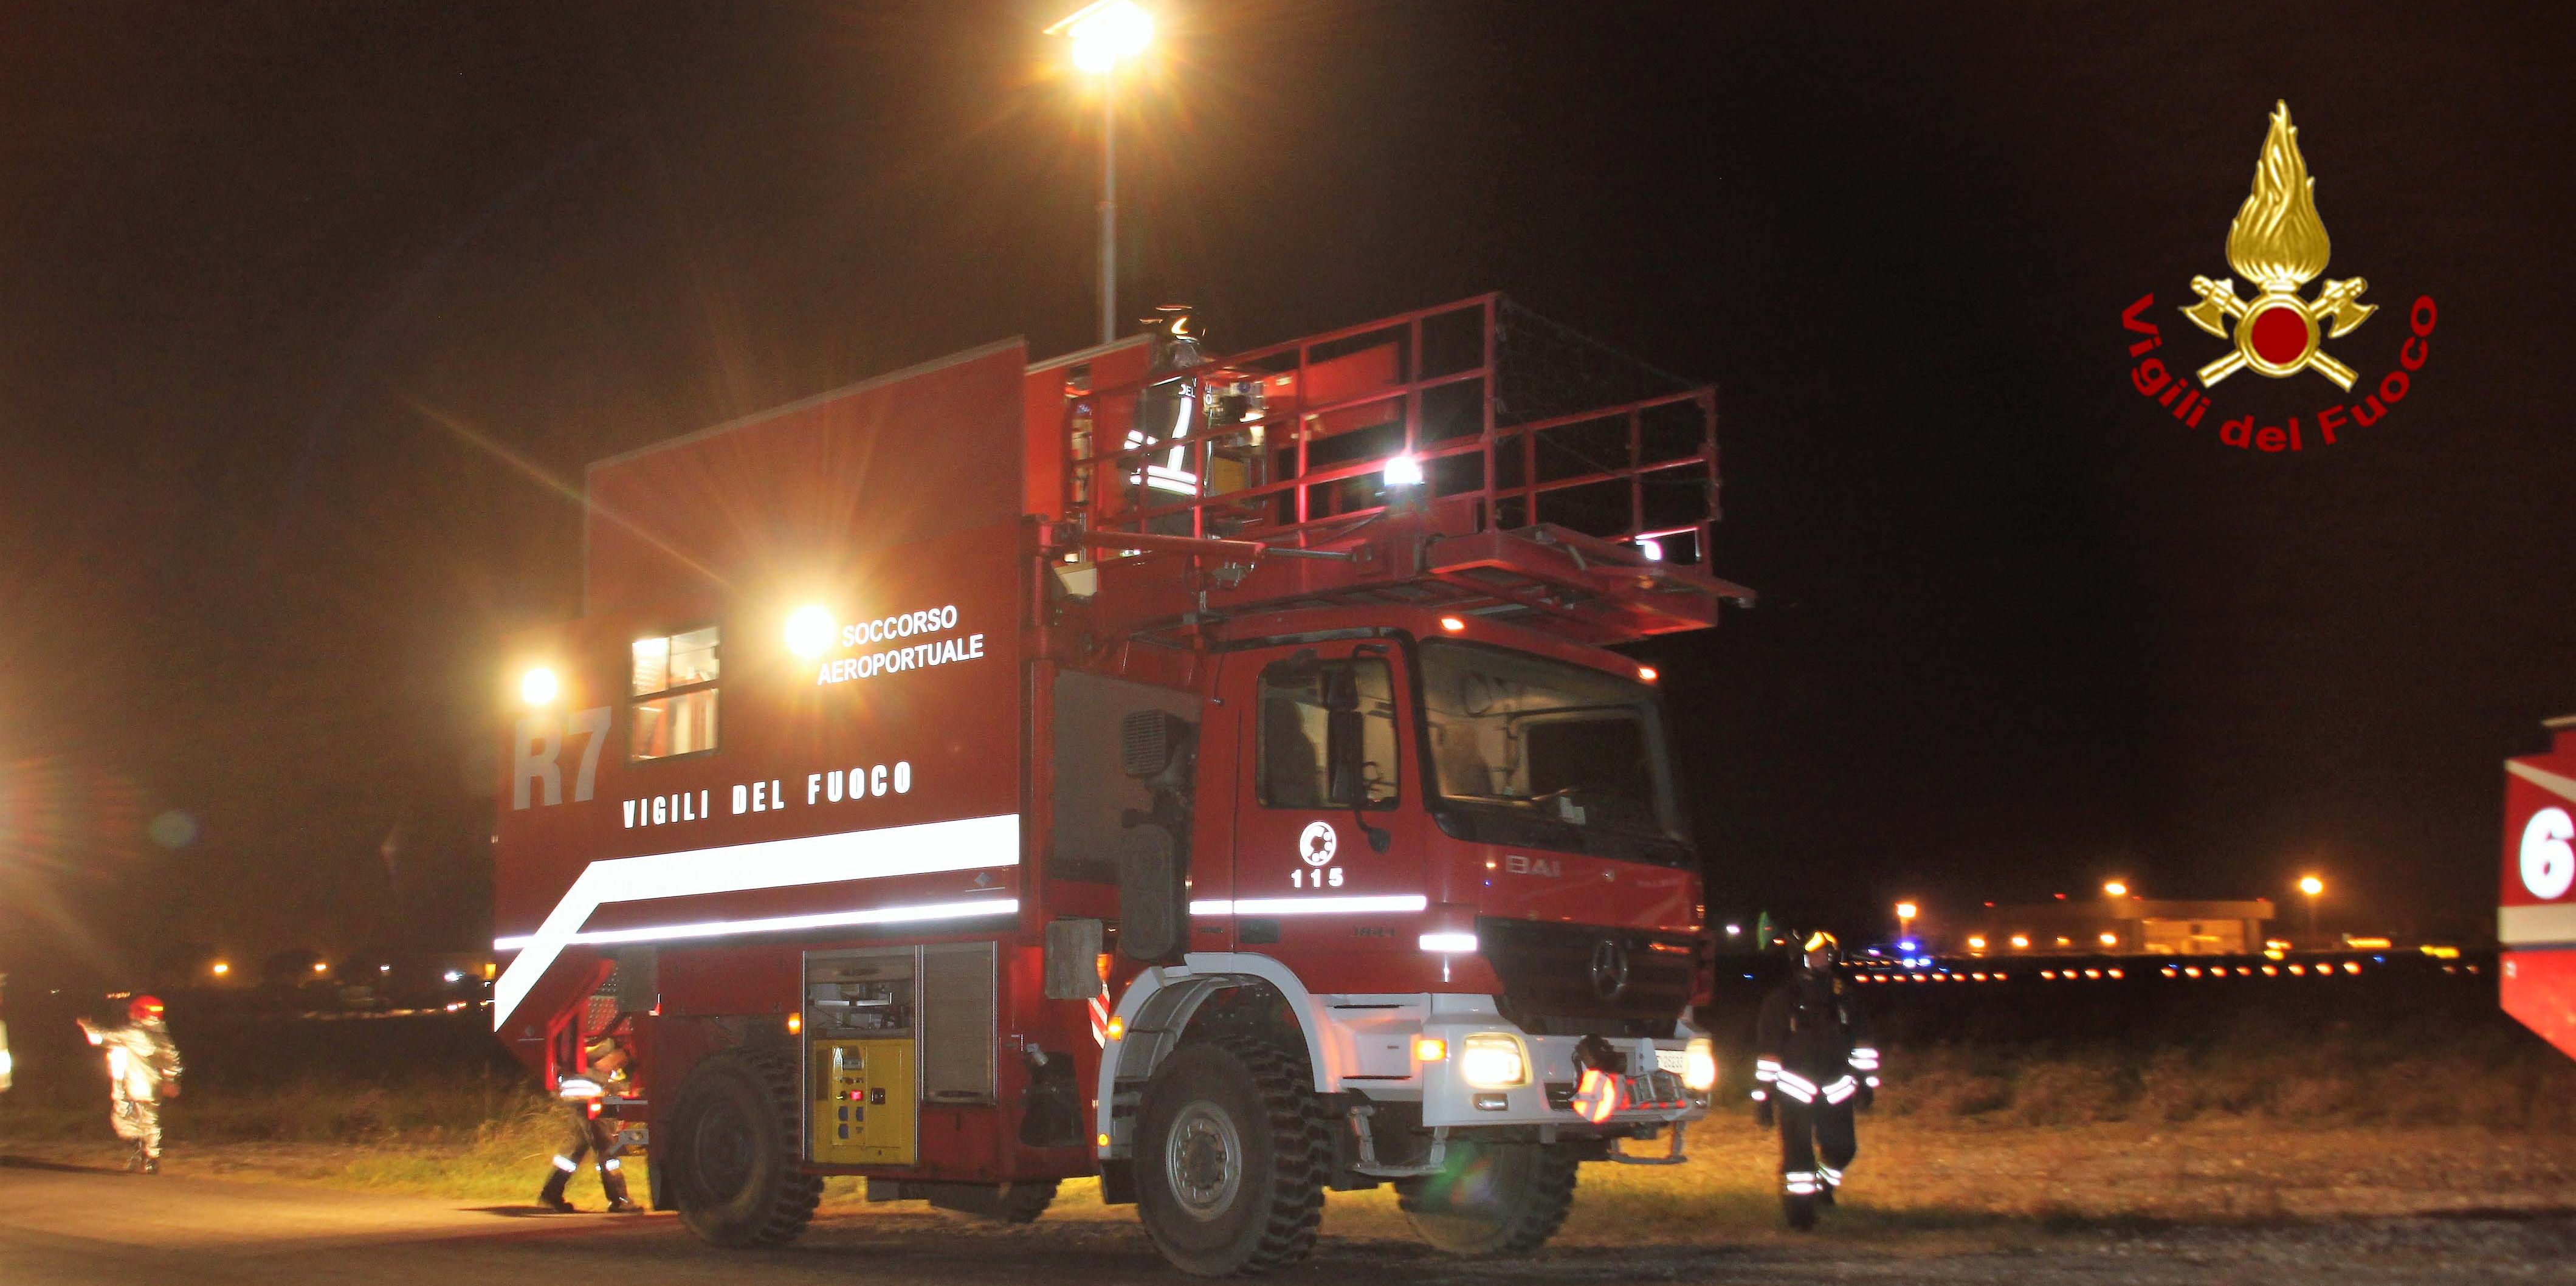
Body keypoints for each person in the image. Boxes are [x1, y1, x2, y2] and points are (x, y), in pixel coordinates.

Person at [1749, 932, 1879, 1229]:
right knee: (1799, 1158)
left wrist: (1867, 1083)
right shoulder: (1782, 999)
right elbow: (1768, 1052)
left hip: (1838, 1088)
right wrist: (1764, 1096)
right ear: (1802, 958)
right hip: (1795, 1090)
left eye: (1828, 955)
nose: (1824, 960)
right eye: (1818, 954)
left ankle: (1825, 1187)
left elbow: (1864, 1042)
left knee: (1843, 1148)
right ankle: (1801, 1215)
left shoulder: (1844, 995)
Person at [77, 995, 184, 1174]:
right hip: (151, 1086)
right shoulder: (161, 1036)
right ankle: (150, 1158)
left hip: (129, 1085)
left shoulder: (134, 1034)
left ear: (138, 1013)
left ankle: (141, 1151)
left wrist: (86, 1024)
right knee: (150, 1122)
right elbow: (172, 1061)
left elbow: (100, 1037)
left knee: (124, 1121)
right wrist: (170, 1081)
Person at [540, 1034, 641, 1214]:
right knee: (606, 1147)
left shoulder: (595, 1041)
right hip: (589, 1094)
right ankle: (619, 1199)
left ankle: (551, 1193)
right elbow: (602, 1066)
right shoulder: (602, 1044)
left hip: (583, 1093)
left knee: (577, 1147)